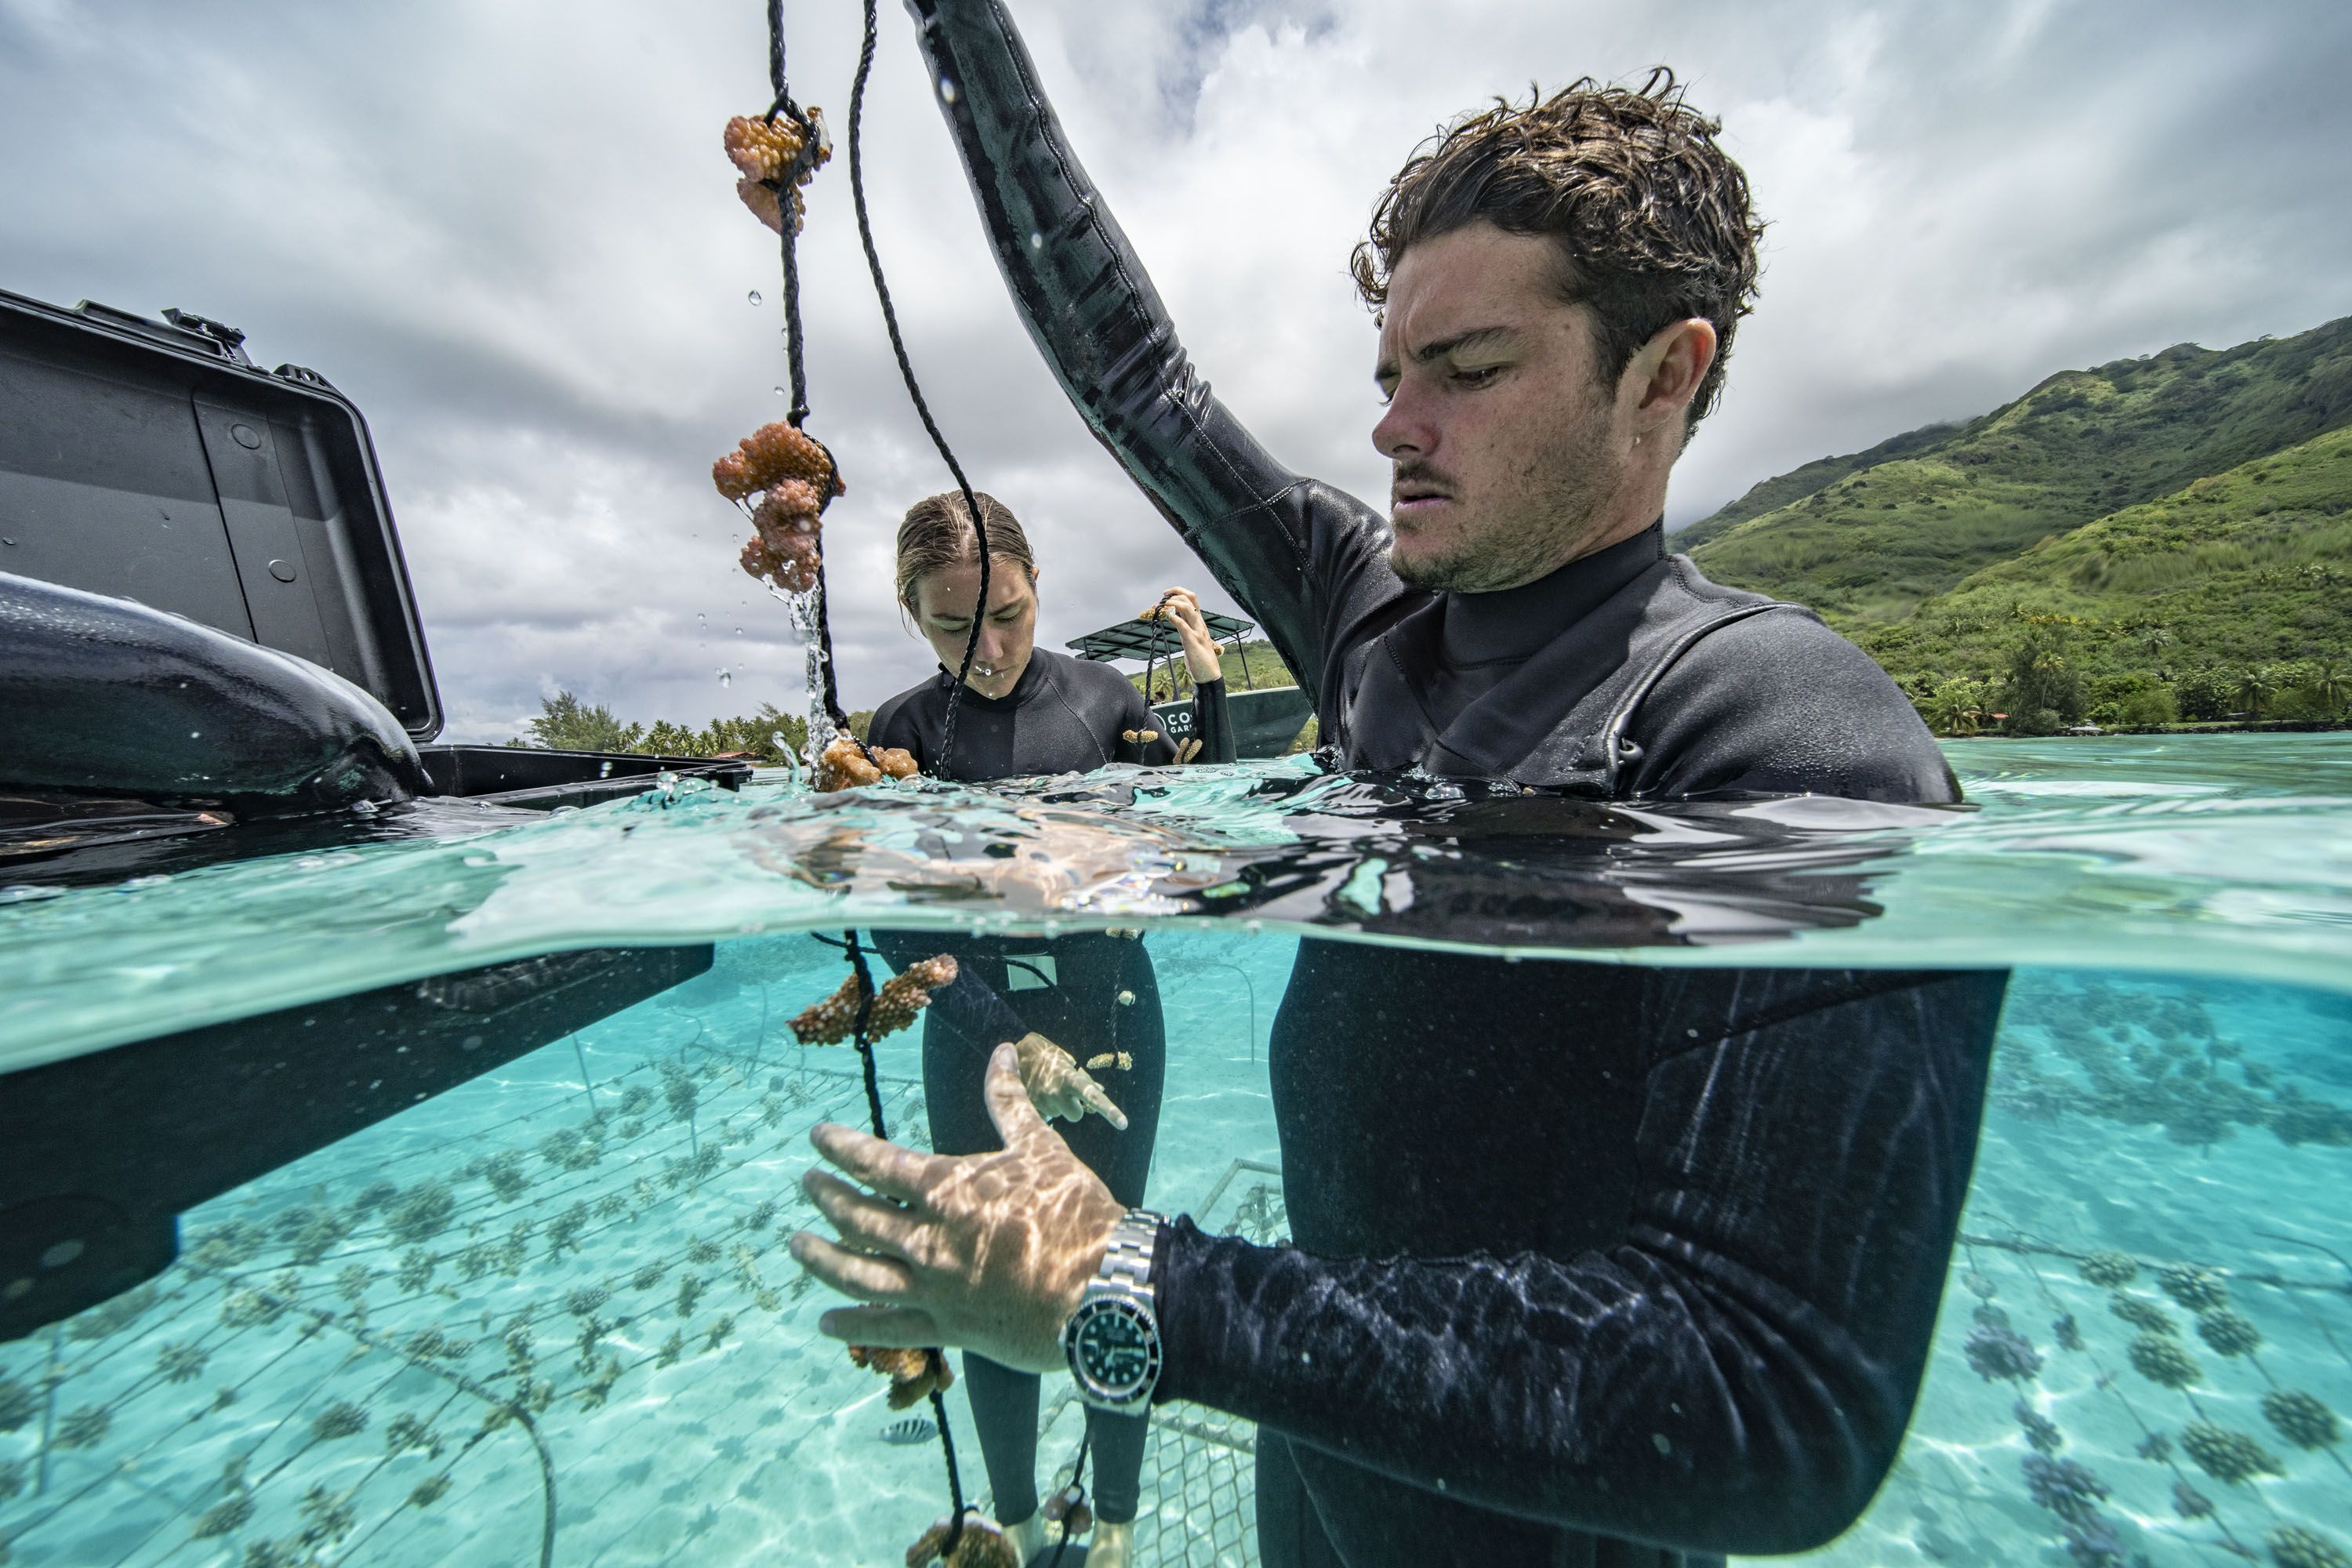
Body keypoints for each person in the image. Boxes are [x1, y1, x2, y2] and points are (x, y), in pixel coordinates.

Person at [791, 9, 2009, 1566]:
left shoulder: (1785, 735)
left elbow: (1769, 1391)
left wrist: (1134, 1284)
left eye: (1470, 367)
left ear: (1664, 376)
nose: (1392, 424)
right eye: (1390, 369)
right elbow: (1132, 374)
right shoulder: (1368, 616)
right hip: (1327, 1466)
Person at [868, 488, 1235, 1566]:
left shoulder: (1107, 703)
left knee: (1115, 1272)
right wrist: (1008, 1039)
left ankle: (1114, 1529)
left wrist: (1209, 683)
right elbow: (897, 928)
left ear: (1039, 592)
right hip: (972, 1041)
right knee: (989, 1289)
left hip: (1116, 1016)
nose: (986, 649)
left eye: (1010, 614)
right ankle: (1022, 1530)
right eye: (951, 624)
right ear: (908, 612)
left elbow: (1201, 828)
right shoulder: (897, 736)